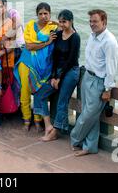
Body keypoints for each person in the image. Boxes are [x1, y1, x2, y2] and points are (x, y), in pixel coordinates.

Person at [70, 9, 118, 157]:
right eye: (90, 21)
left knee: (87, 116)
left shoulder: (109, 42)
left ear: (104, 22)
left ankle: (74, 138)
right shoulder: (92, 36)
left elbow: (111, 67)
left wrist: (107, 89)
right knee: (91, 116)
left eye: (95, 21)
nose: (92, 24)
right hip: (87, 77)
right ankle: (89, 147)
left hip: (99, 82)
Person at [14, 2, 58, 134]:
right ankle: (27, 119)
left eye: (46, 13)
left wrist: (55, 22)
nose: (43, 16)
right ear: (37, 14)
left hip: (44, 66)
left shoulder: (54, 27)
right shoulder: (30, 26)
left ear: (50, 14)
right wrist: (47, 42)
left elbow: (69, 28)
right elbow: (29, 46)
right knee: (25, 91)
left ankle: (38, 120)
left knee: (39, 91)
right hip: (27, 62)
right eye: (40, 14)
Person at [43, 9, 81, 141]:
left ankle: (56, 130)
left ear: (71, 21)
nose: (61, 24)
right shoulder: (58, 35)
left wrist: (60, 78)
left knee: (62, 101)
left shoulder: (75, 37)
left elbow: (71, 60)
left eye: (64, 22)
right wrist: (53, 76)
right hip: (58, 70)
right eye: (60, 22)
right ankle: (59, 125)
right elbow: (54, 56)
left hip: (70, 71)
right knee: (42, 93)